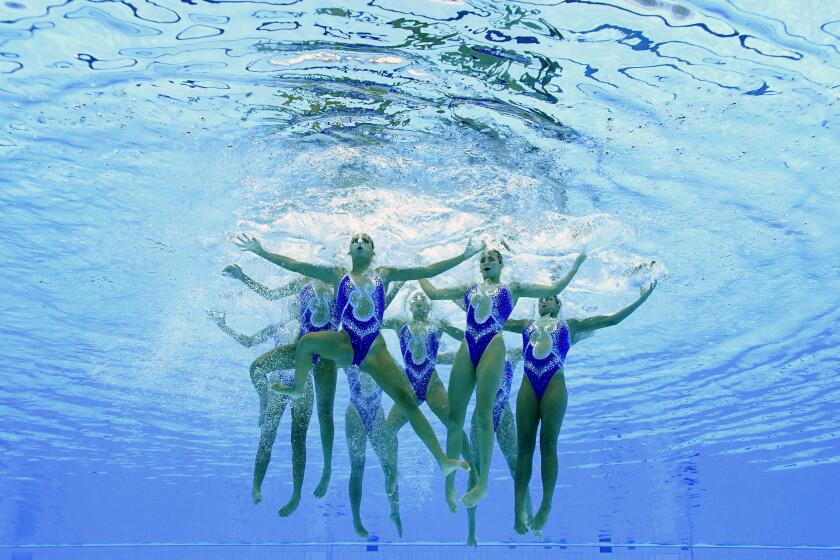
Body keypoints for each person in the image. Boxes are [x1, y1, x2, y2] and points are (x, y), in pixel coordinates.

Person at [234, 232, 481, 476]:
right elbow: (296, 265)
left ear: (373, 251)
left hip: (374, 349)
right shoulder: (337, 275)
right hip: (346, 342)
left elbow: (428, 270)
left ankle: (443, 460)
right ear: (349, 251)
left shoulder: (385, 274)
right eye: (355, 241)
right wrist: (261, 251)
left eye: (365, 241)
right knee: (307, 342)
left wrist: (465, 254)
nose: (360, 243)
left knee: (407, 403)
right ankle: (299, 386)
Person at [420, 249, 587, 507]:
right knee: (455, 419)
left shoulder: (513, 289)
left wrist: (577, 262)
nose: (486, 262)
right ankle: (449, 486)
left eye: (492, 259)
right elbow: (432, 293)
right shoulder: (469, 288)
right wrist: (418, 265)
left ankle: (482, 483)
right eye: (483, 259)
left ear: (501, 265)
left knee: (483, 413)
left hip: (492, 344)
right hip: (468, 343)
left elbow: (556, 286)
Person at [503, 280, 657, 535]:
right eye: (541, 297)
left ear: (559, 304)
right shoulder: (525, 326)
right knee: (524, 449)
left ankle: (546, 504)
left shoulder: (569, 325)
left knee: (548, 444)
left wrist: (642, 298)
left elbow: (611, 320)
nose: (544, 300)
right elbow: (490, 321)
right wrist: (456, 300)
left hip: (553, 384)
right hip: (528, 384)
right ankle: (518, 507)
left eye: (550, 297)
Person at [207, 307, 315, 516]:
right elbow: (248, 341)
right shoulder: (277, 326)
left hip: (303, 382)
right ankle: (256, 487)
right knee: (267, 436)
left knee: (298, 440)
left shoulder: (309, 328)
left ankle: (296, 494)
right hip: (277, 379)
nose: (293, 304)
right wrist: (223, 326)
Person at [465, 353, 531, 547]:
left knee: (516, 467)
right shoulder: (477, 355)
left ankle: (526, 512)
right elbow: (453, 358)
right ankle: (471, 530)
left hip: (504, 414)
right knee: (474, 471)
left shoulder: (512, 354)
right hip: (481, 417)